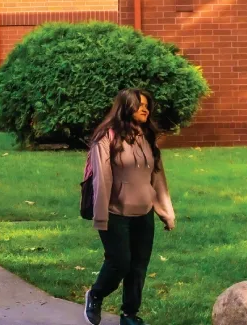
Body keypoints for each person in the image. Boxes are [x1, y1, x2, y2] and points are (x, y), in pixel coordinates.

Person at [84, 89, 175, 325]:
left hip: (143, 214)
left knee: (138, 267)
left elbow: (157, 177)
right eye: (139, 105)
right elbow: (101, 179)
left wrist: (165, 212)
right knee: (119, 263)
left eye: (147, 105)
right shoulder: (106, 137)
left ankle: (129, 315)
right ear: (125, 107)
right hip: (115, 212)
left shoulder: (147, 137)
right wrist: (101, 216)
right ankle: (95, 295)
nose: (145, 109)